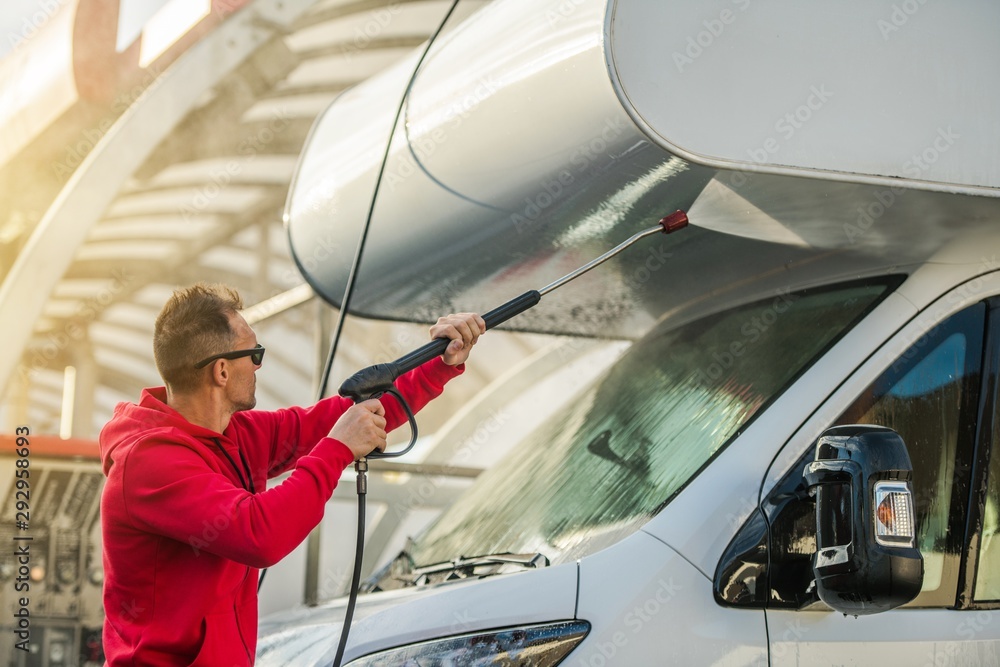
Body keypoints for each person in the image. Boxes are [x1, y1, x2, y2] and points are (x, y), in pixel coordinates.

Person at [98, 282, 485, 666]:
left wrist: (439, 363)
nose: (259, 365)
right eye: (254, 353)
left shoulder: (236, 433)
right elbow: (259, 534)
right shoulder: (148, 462)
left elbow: (337, 419)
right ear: (221, 371)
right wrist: (338, 449)